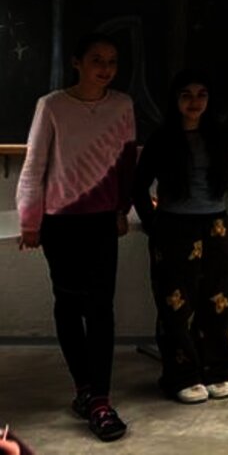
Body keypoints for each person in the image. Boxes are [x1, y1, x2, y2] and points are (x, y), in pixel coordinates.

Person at [15, 33, 136, 442]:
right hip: (61, 222)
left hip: (102, 221)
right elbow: (34, 165)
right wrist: (30, 221)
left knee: (100, 309)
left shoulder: (122, 105)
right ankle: (83, 388)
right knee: (68, 304)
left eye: (112, 61)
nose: (105, 68)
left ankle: (100, 401)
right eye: (97, 59)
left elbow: (127, 163)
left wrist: (122, 209)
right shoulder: (52, 106)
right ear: (76, 62)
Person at [132, 70, 228, 404]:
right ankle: (181, 375)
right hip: (175, 227)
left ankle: (215, 370)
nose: (194, 102)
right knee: (176, 303)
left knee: (215, 299)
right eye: (186, 95)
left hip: (216, 225)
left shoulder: (216, 135)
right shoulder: (162, 138)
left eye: (201, 94)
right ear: (175, 100)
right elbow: (138, 185)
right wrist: (153, 223)